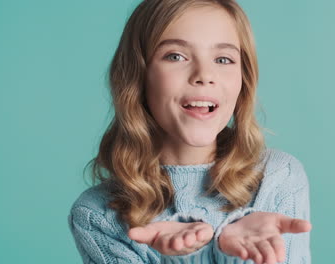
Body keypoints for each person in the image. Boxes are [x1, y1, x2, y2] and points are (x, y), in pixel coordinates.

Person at [67, 0, 312, 263]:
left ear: (243, 81)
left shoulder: (277, 178)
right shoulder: (97, 214)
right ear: (138, 76)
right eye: (176, 56)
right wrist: (182, 256)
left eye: (223, 59)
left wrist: (228, 251)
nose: (204, 75)